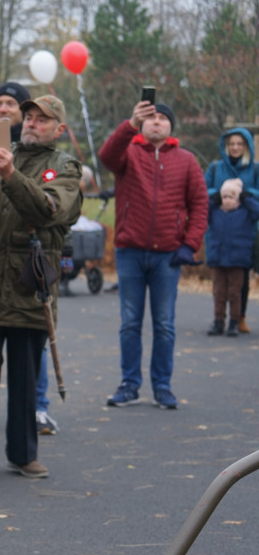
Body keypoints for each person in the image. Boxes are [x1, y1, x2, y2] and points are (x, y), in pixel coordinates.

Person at [0, 95, 82, 480]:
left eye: (43, 120)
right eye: (29, 117)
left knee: (25, 380)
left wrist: (10, 175)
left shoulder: (65, 167)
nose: (31, 123)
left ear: (59, 130)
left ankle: (24, 454)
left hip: (29, 289)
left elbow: (49, 210)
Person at [99, 101, 207, 410]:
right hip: (129, 251)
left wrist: (189, 245)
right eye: (151, 118)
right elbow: (106, 156)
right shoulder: (128, 154)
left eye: (162, 118)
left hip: (168, 256)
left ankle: (162, 387)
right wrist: (130, 123)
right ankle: (129, 385)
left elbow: (199, 205)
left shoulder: (187, 161)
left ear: (171, 126)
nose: (156, 122)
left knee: (164, 324)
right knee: (130, 323)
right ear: (142, 125)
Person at [204, 127, 259, 334]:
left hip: (245, 230)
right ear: (226, 146)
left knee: (240, 279)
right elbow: (203, 190)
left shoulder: (254, 169)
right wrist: (220, 193)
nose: (235, 147)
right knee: (219, 283)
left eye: (240, 144)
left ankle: (239, 317)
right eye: (232, 144)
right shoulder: (216, 168)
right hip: (218, 229)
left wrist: (244, 193)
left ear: (246, 146)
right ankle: (219, 319)